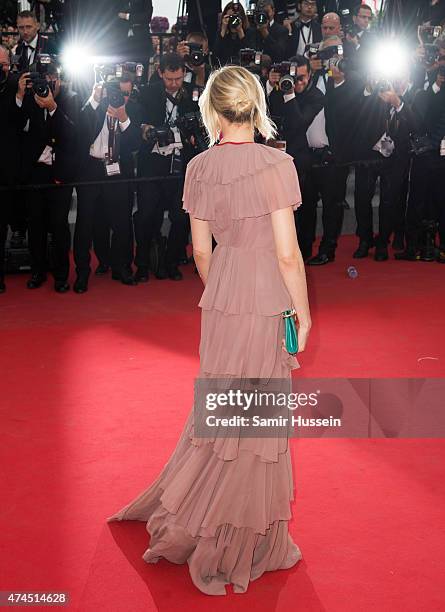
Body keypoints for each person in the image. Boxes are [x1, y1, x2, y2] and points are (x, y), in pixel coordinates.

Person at [107, 65, 312, 595]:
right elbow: (288, 254)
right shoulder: (277, 163)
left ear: (213, 110)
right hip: (266, 294)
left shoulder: (198, 167)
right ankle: (243, 536)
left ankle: (201, 514)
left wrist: (222, 284)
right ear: (255, 105)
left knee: (221, 407)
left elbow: (200, 251)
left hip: (223, 293)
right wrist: (303, 312)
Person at [16, 60, 79, 292]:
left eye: (52, 78)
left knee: (59, 226)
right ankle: (37, 271)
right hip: (35, 172)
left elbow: (71, 135)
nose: (48, 84)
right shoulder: (30, 98)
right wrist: (22, 96)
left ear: (59, 79)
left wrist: (52, 106)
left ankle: (61, 276)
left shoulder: (70, 99)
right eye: (43, 79)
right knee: (36, 226)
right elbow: (18, 127)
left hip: (59, 173)